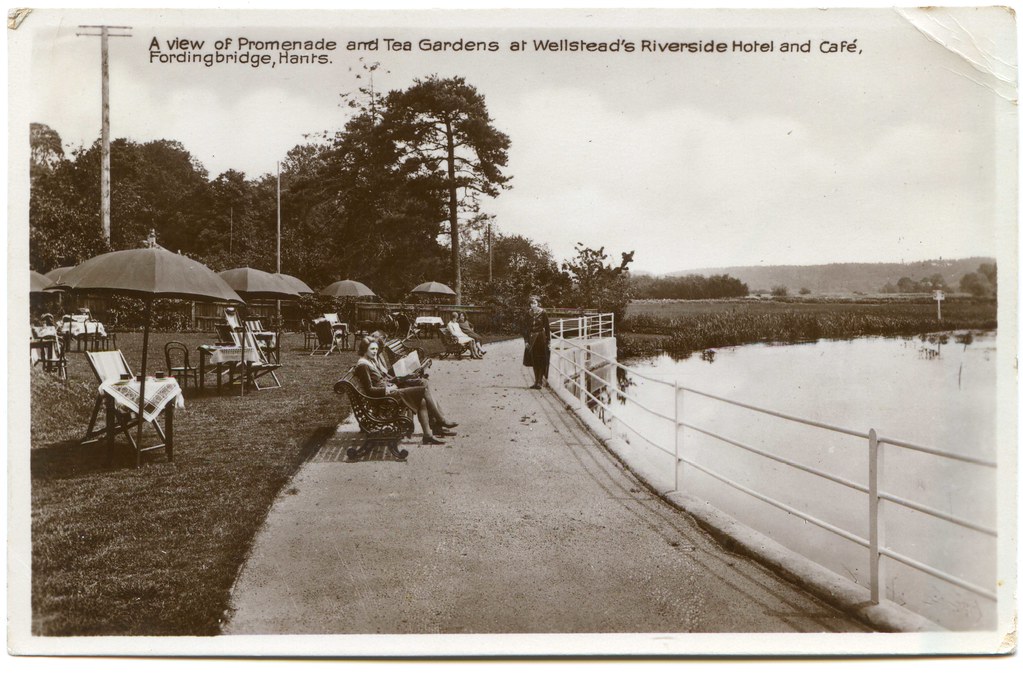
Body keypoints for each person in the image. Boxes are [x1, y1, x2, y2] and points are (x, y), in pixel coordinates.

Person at [355, 337, 457, 445]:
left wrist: (398, 379)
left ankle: (428, 435)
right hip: (386, 397)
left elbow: (381, 379)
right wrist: (388, 389)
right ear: (364, 349)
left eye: (376, 349)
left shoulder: (369, 361)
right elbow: (370, 390)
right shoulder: (363, 365)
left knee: (422, 400)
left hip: (390, 392)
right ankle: (441, 420)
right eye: (372, 349)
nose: (375, 351)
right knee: (423, 389)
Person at [522, 295, 551, 389]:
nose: (533, 305)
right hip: (531, 338)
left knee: (541, 359)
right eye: (531, 303)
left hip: (541, 338)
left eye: (534, 303)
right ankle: (536, 381)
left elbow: (547, 327)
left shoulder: (543, 313)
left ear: (538, 303)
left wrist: (548, 341)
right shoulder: (528, 314)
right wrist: (526, 341)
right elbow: (525, 328)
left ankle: (540, 382)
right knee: (534, 359)